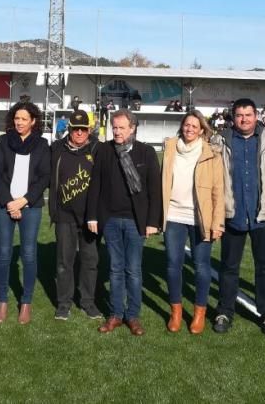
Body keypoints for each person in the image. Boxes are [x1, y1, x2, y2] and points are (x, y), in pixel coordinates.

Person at [86, 109, 162, 336]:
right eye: (114, 127)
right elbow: (95, 185)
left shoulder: (147, 152)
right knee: (115, 268)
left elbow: (154, 190)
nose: (117, 132)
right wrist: (92, 216)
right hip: (110, 220)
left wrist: (152, 222)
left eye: (121, 128)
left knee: (133, 270)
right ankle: (116, 315)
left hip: (135, 221)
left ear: (133, 128)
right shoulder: (104, 150)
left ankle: (133, 316)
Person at [214, 100, 265, 337]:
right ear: (232, 117)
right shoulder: (220, 141)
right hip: (232, 214)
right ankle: (224, 310)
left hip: (261, 215)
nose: (244, 119)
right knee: (229, 267)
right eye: (239, 115)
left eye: (248, 114)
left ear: (257, 116)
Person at [161, 110, 224, 335]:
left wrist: (218, 223)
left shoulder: (212, 154)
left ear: (202, 130)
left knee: (201, 266)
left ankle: (199, 313)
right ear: (182, 126)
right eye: (187, 125)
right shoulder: (169, 147)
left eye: (194, 126)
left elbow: (219, 191)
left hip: (200, 217)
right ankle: (175, 311)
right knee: (172, 264)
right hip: (173, 216)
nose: (189, 129)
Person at [0, 101, 51, 324]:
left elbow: (45, 177)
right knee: (4, 253)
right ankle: (3, 300)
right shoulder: (3, 141)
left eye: (24, 119)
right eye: (17, 118)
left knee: (28, 254)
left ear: (33, 121)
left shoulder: (43, 145)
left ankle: (26, 302)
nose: (19, 122)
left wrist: (23, 201)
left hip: (31, 206)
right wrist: (9, 202)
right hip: (3, 205)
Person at [49, 109, 102, 321]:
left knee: (90, 261)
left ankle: (88, 302)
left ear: (89, 130)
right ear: (69, 129)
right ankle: (64, 304)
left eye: (83, 129)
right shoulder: (56, 149)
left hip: (90, 217)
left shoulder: (98, 149)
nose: (79, 133)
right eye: (75, 129)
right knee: (64, 262)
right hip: (64, 215)